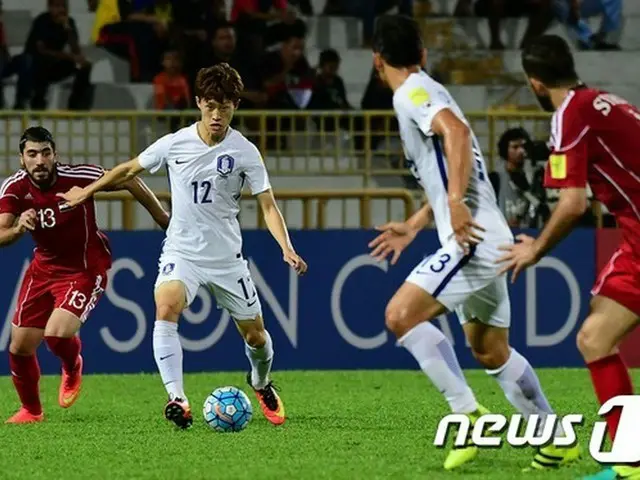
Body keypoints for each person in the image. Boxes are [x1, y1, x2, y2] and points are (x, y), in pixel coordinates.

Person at [366, 16, 580, 471]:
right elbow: (450, 165)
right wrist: (418, 221)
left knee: (399, 315)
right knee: (488, 349)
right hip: (482, 234)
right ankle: (555, 436)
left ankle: (468, 415)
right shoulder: (428, 88)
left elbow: (457, 134)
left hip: (475, 241)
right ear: (422, 54)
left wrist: (456, 204)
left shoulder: (411, 93)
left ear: (376, 61)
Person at [58, 63, 308, 430]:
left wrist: (286, 246)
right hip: (182, 252)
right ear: (198, 103)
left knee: (257, 338)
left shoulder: (245, 152)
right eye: (210, 105)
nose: (217, 114)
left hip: (226, 259)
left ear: (236, 106)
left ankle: (261, 383)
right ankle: (178, 399)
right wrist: (88, 191)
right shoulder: (175, 143)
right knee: (166, 306)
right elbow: (129, 170)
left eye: (225, 106)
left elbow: (268, 205)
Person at [498, 34, 640, 480]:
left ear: (535, 83)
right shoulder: (606, 102)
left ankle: (632, 461)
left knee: (595, 339)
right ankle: (631, 459)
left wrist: (535, 249)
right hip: (635, 240)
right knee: (596, 335)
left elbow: (573, 203)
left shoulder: (568, 116)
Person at [0, 126, 169, 424]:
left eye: (45, 153)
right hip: (43, 270)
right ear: (21, 159)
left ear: (55, 155)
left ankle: (73, 365)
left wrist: (164, 221)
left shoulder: (78, 177)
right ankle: (32, 411)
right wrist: (16, 229)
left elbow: (129, 179)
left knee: (56, 334)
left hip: (84, 269)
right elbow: (1, 232)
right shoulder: (14, 187)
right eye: (32, 154)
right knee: (19, 346)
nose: (40, 160)